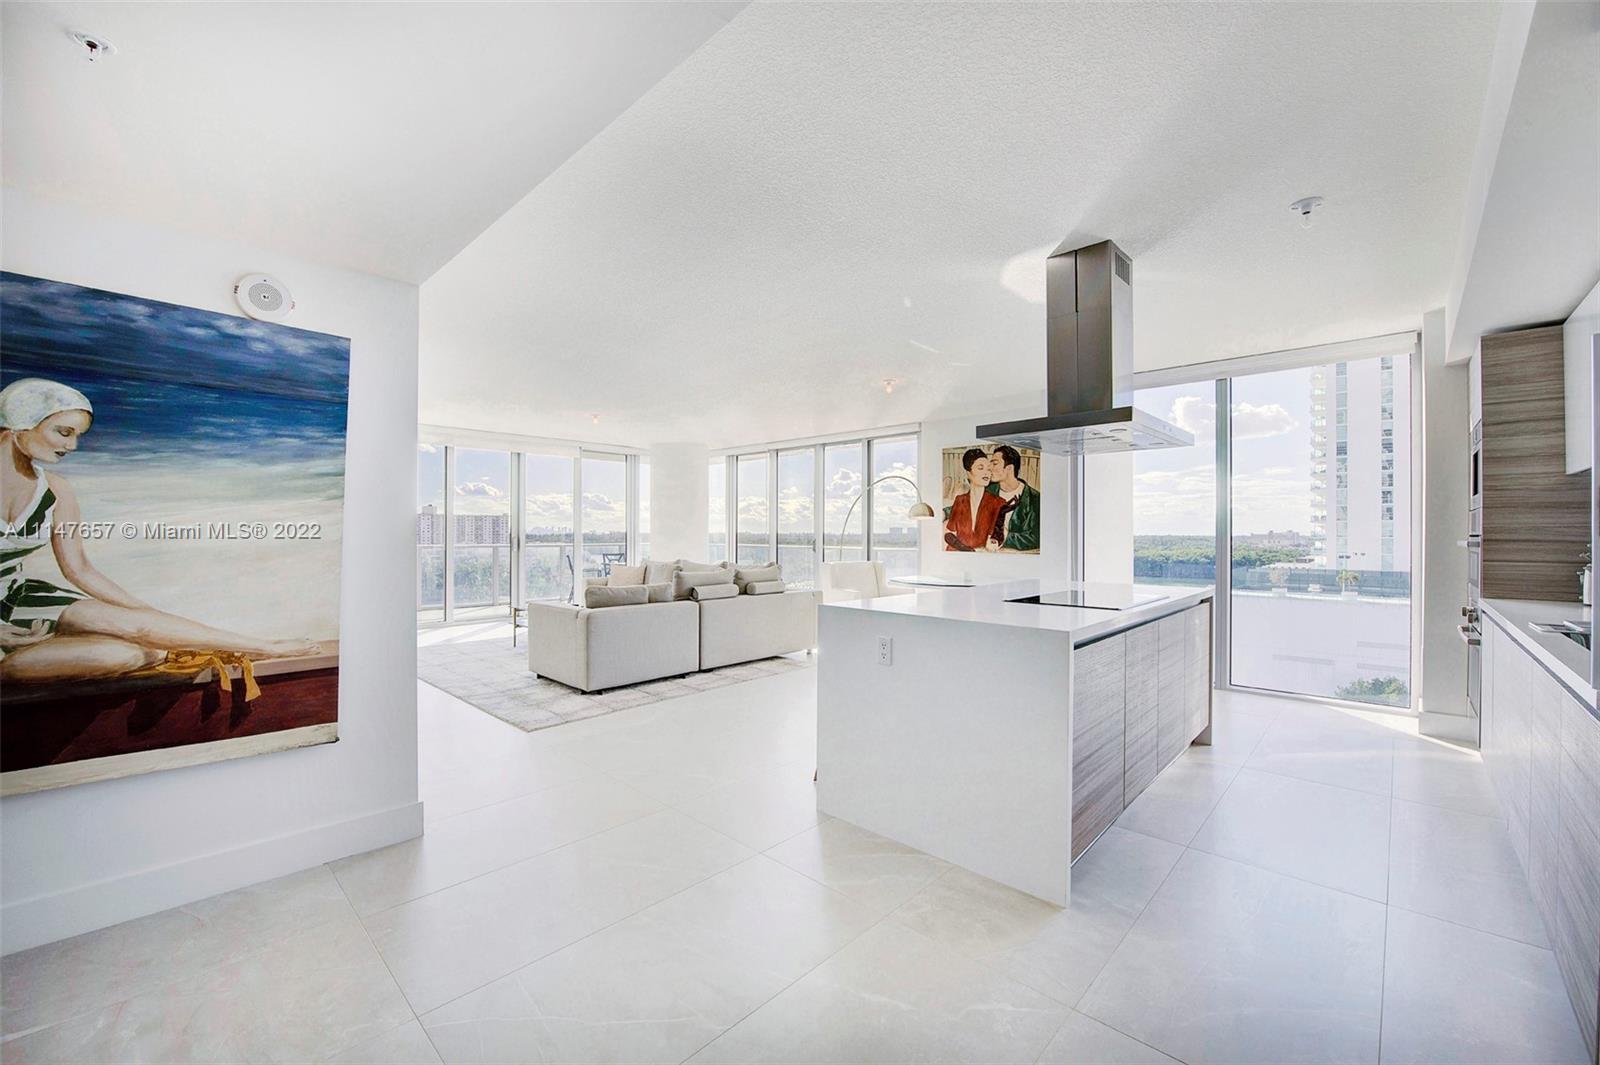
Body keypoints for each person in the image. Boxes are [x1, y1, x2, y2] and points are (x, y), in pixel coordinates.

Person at [0, 377, 319, 686]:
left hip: (22, 598)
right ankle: (266, 648)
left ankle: (260, 645)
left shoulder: (56, 491)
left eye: (77, 435)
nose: (72, 445)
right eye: (64, 432)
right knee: (131, 644)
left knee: (136, 651)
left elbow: (79, 569)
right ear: (20, 425)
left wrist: (148, 619)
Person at [944, 447, 1003, 551]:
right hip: (955, 554)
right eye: (981, 468)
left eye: (989, 469)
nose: (986, 473)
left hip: (981, 556)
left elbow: (997, 536)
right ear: (968, 473)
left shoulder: (998, 502)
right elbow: (948, 534)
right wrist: (965, 549)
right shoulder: (960, 500)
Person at [985, 444, 1040, 552]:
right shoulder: (988, 490)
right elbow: (968, 504)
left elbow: (1036, 538)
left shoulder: (1034, 498)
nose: (990, 467)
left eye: (995, 463)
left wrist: (1006, 537)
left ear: (1009, 468)